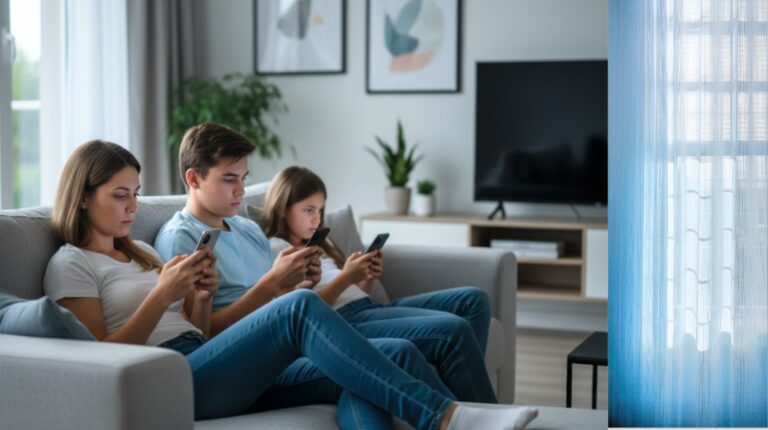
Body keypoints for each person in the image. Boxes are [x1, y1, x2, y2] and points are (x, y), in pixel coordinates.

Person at [151, 124, 538, 428]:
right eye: (229, 179)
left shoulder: (248, 230)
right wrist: (276, 287)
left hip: (284, 349)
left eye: (244, 177)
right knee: (306, 309)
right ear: (194, 178)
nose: (241, 190)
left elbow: (274, 305)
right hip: (237, 364)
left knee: (395, 352)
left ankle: (471, 417)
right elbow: (203, 336)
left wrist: (295, 281)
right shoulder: (180, 237)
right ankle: (448, 419)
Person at [263, 165, 497, 403]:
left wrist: (366, 277)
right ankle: (482, 414)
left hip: (367, 307)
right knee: (453, 330)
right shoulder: (279, 250)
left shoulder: (321, 244)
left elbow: (354, 293)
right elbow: (302, 313)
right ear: (283, 209)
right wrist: (346, 277)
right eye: (308, 210)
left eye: (320, 210)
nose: (317, 218)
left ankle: (464, 390)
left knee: (474, 300)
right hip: (343, 322)